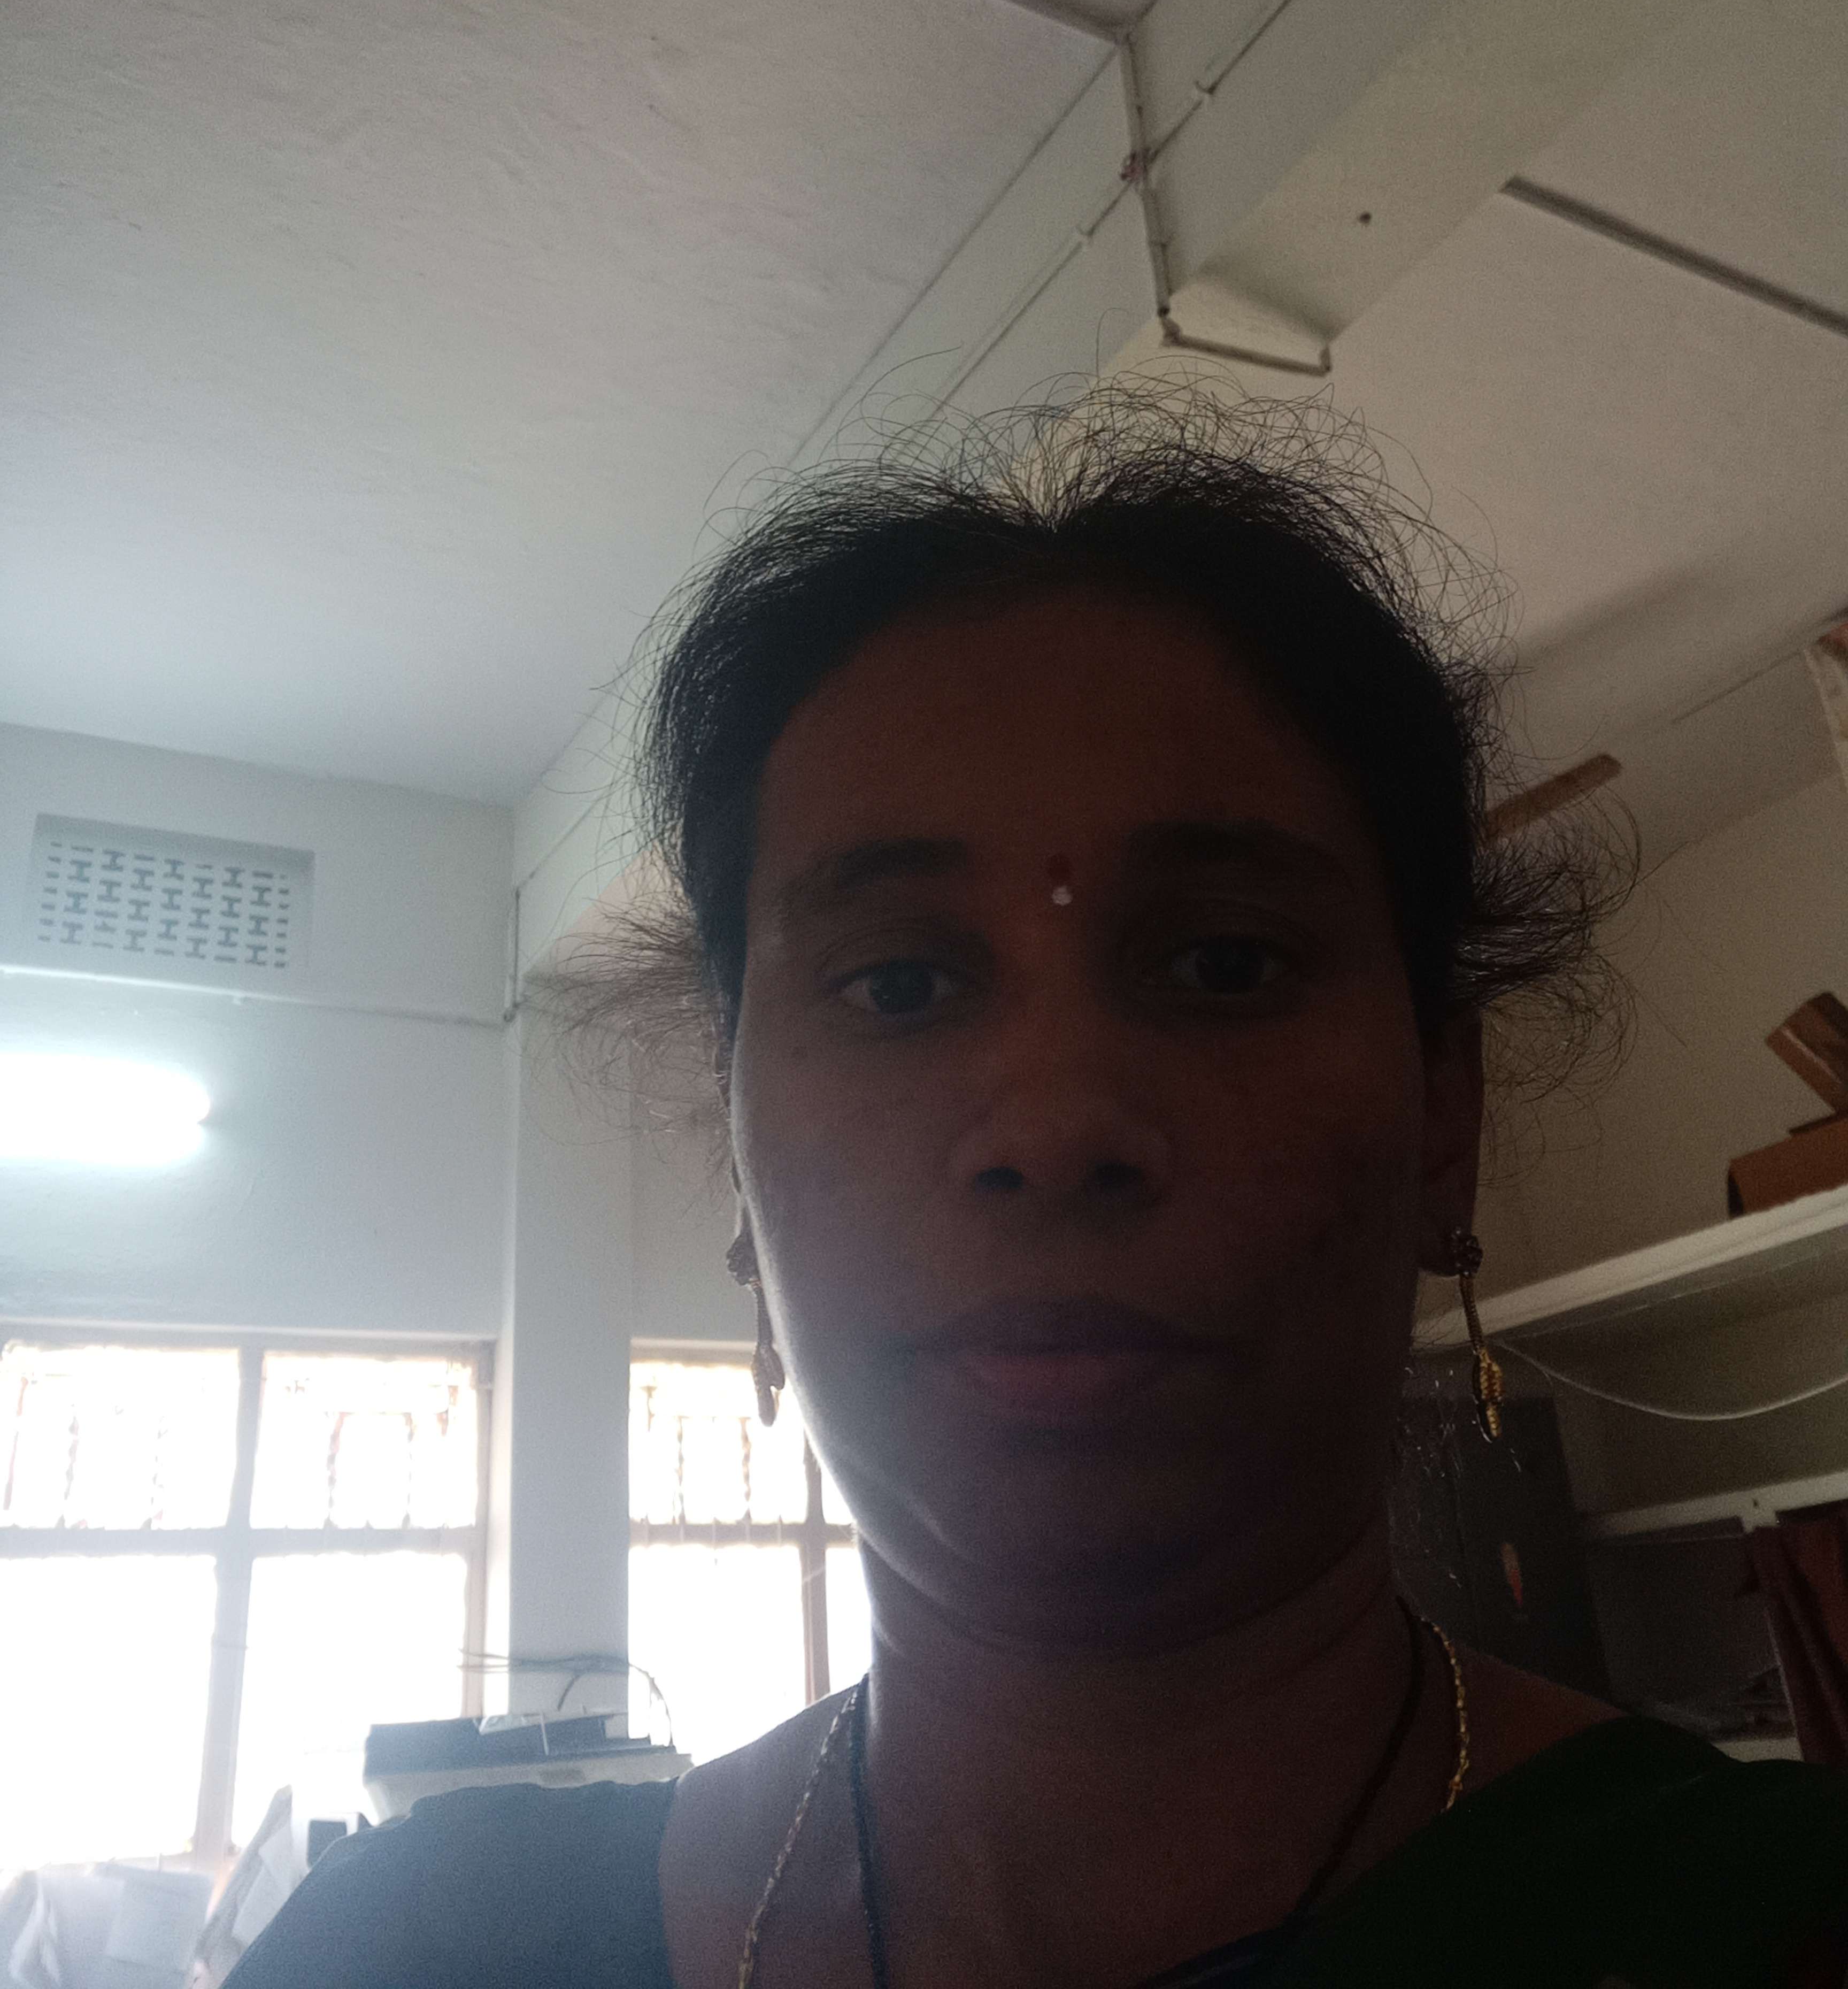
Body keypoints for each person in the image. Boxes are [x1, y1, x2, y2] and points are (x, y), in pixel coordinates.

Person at [228, 391, 1848, 1988]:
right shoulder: (416, 1951)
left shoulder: (1778, 1924)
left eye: (1224, 963)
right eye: (900, 984)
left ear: (1445, 1114)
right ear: (739, 1164)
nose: (1059, 1124)